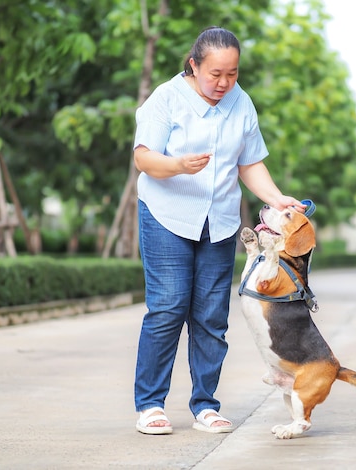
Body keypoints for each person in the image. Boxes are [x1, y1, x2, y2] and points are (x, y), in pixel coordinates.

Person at [132, 26, 306, 435]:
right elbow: (144, 159)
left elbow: (249, 163)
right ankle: (150, 404)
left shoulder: (241, 104)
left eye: (232, 74)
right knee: (169, 306)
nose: (224, 83)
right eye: (215, 74)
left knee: (211, 316)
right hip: (167, 215)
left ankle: (205, 405)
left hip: (220, 222)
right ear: (193, 65)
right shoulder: (166, 99)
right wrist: (177, 165)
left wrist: (277, 198)